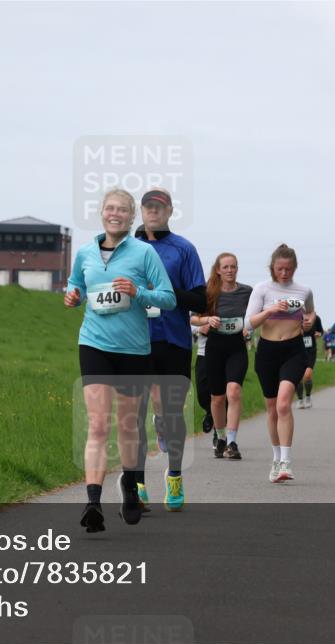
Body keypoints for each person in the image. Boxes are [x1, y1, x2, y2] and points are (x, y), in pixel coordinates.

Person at [65, 188, 176, 532]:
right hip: (93, 344)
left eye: (122, 210)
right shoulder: (85, 252)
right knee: (98, 424)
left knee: (128, 426)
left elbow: (168, 298)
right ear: (102, 212)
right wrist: (72, 296)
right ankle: (93, 502)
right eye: (110, 208)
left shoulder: (144, 253)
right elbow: (75, 284)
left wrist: (137, 292)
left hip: (133, 350)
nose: (115, 214)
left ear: (131, 218)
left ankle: (130, 484)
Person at [133, 189, 206, 511]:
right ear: (141, 211)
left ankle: (174, 474)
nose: (153, 211)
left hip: (174, 340)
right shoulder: (126, 248)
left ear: (170, 212)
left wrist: (164, 292)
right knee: (134, 414)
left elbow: (200, 300)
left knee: (173, 413)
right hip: (134, 340)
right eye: (148, 206)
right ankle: (136, 484)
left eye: (159, 207)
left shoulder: (183, 249)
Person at [245, 244, 316, 483]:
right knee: (272, 408)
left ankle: (286, 461)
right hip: (267, 351)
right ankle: (276, 458)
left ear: (295, 268)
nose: (284, 273)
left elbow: (311, 312)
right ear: (272, 268)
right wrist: (271, 310)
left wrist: (308, 321)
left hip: (293, 350)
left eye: (288, 269)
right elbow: (249, 323)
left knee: (284, 403)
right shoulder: (262, 289)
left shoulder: (304, 290)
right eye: (280, 269)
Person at [196, 253, 252, 460]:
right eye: (226, 267)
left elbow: (255, 316)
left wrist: (249, 328)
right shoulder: (208, 291)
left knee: (234, 391)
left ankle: (232, 441)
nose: (230, 270)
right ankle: (220, 437)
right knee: (217, 398)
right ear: (218, 270)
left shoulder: (247, 292)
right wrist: (207, 320)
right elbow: (193, 318)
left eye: (233, 267)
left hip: (237, 347)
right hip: (215, 347)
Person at [296, 312, 325, 408]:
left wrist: (319, 334)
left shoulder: (316, 318)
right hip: (296, 351)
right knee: (298, 377)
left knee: (307, 375)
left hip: (310, 351)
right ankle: (300, 399)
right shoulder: (295, 316)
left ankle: (308, 396)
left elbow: (321, 331)